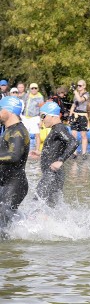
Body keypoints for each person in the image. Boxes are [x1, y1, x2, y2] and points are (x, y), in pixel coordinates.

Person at [35, 102, 78, 207]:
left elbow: (74, 142)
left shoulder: (59, 129)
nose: (42, 119)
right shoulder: (56, 129)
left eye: (43, 116)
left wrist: (61, 160)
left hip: (52, 176)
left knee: (37, 203)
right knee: (49, 207)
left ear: (52, 116)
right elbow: (56, 149)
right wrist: (42, 153)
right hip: (52, 175)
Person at [0, 96, 29, 235]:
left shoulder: (17, 131)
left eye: (0, 108)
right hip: (6, 182)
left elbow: (14, 156)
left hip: (15, 183)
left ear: (9, 110)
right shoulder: (9, 130)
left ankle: (8, 252)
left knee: (3, 219)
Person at [69, 80, 90, 158]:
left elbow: (80, 100)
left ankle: (84, 153)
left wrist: (74, 91)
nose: (78, 87)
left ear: (84, 86)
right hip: (75, 115)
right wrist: (70, 115)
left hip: (83, 115)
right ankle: (74, 153)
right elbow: (73, 105)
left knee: (83, 135)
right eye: (77, 85)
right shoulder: (76, 94)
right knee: (73, 134)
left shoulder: (87, 94)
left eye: (80, 85)